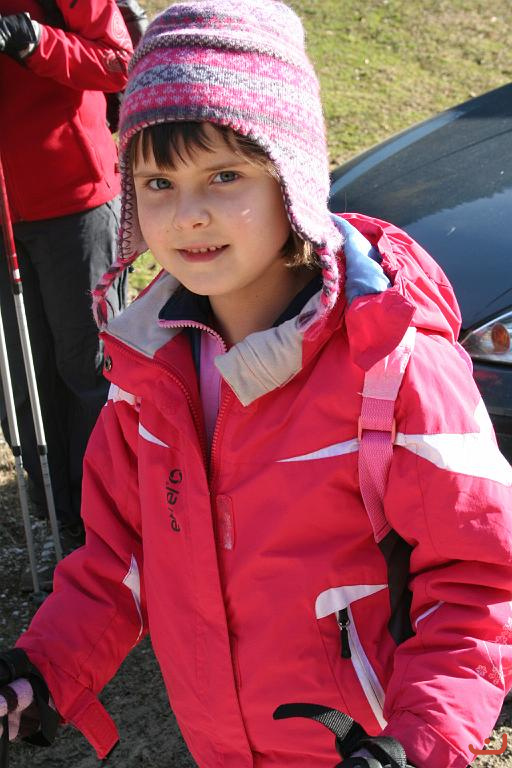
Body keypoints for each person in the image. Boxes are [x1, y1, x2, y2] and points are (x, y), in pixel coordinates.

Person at [1, 1, 512, 766]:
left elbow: (478, 580)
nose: (189, 215)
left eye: (225, 175)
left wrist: (416, 743)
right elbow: (116, 562)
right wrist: (40, 671)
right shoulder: (147, 377)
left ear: (292, 178)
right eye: (159, 182)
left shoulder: (391, 364)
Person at [0, 0, 132, 562]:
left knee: (88, 366)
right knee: (22, 376)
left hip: (73, 200)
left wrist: (35, 41)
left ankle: (105, 518)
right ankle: (60, 513)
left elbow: (119, 62)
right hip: (4, 216)